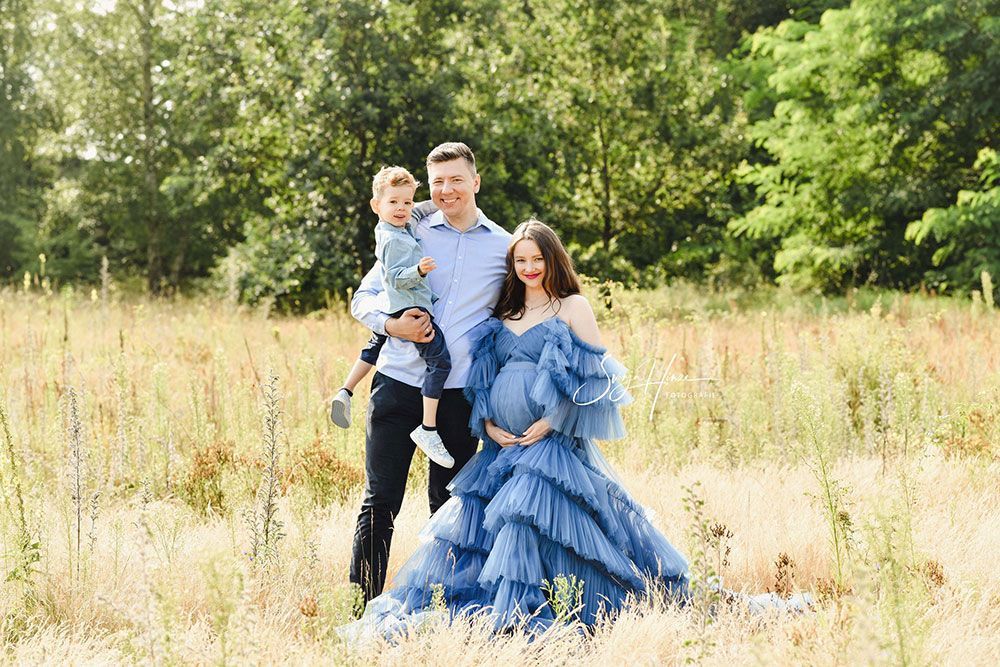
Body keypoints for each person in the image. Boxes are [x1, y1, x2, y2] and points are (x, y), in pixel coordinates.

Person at [339, 219, 690, 641]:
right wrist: (487, 423)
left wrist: (555, 420)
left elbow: (598, 379)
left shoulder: (572, 306)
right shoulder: (505, 312)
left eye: (537, 258)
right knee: (477, 528)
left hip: (550, 447)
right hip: (502, 448)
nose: (529, 267)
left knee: (526, 519)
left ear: (552, 259)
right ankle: (480, 610)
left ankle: (520, 615)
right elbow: (484, 380)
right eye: (520, 259)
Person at [347, 142, 512, 613]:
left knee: (451, 506)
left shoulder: (502, 246)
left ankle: (440, 608)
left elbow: (518, 312)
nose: (446, 190)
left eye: (456, 179)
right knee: (380, 501)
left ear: (475, 182)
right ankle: (361, 608)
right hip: (398, 385)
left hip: (458, 395)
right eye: (437, 181)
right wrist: (390, 324)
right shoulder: (409, 229)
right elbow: (365, 297)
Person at [330, 165, 455, 469]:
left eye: (407, 202)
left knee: (375, 345)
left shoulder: (393, 224)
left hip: (391, 307)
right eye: (394, 202)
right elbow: (398, 277)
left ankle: (345, 390)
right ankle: (428, 428)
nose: (402, 208)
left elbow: (416, 211)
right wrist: (420, 270)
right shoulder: (395, 240)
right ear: (376, 205)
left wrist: (437, 198)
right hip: (412, 308)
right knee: (439, 362)